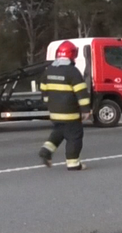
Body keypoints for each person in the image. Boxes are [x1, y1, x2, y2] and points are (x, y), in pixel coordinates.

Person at [38, 40, 91, 171]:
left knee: (59, 131)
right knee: (75, 136)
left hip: (55, 112)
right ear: (72, 55)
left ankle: (46, 151)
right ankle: (73, 163)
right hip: (70, 113)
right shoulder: (73, 72)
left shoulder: (48, 70)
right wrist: (86, 110)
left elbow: (43, 90)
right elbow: (81, 93)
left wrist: (48, 103)